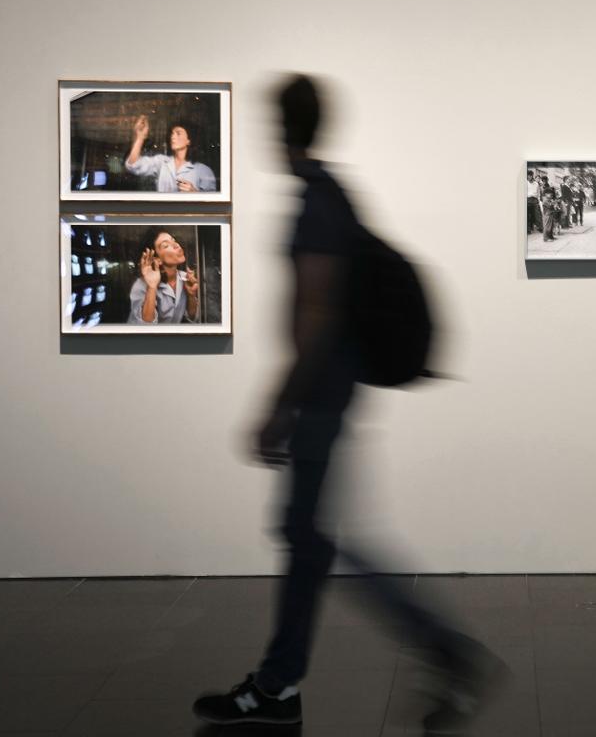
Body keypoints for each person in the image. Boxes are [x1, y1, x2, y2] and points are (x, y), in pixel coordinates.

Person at [193, 74, 501, 732]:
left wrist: (278, 406)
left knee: (323, 541)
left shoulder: (315, 205)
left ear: (280, 128)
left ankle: (447, 651)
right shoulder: (335, 194)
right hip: (333, 392)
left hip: (321, 396)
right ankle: (279, 683)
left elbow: (317, 313)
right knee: (309, 541)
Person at [124, 115, 218, 192]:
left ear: (189, 140)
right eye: (172, 133)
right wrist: (140, 137)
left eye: (178, 133)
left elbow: (212, 206)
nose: (173, 137)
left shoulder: (203, 170)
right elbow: (133, 165)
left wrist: (194, 193)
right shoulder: (162, 162)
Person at [127, 227, 199, 324]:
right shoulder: (140, 286)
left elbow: (192, 317)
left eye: (174, 241)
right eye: (166, 245)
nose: (176, 245)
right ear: (158, 260)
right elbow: (145, 328)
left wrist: (191, 296)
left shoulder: (185, 278)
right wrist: (152, 287)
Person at [526, 169, 541, 234]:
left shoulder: (536, 184)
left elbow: (538, 193)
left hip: (535, 199)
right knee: (528, 215)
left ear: (532, 176)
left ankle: (541, 227)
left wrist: (538, 200)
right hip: (528, 199)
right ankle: (528, 229)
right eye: (527, 176)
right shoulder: (525, 183)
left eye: (529, 176)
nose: (528, 177)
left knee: (537, 214)